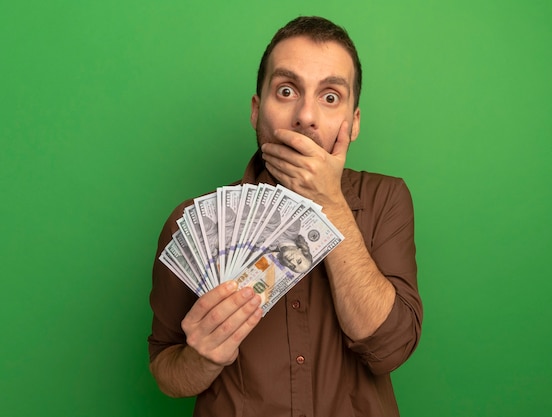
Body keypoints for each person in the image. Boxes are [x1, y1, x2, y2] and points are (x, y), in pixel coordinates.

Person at [148, 16, 423, 417]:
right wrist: (200, 360)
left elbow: (389, 350)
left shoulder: (386, 200)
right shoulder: (192, 225)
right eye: (287, 90)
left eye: (330, 97)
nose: (306, 116)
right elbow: (164, 370)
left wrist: (329, 204)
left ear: (355, 122)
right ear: (257, 111)